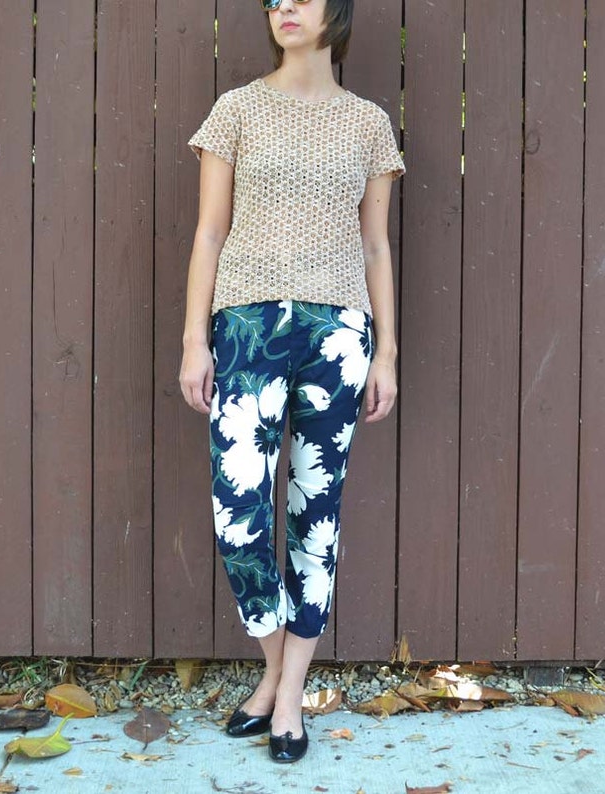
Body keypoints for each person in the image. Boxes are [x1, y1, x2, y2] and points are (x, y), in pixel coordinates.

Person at [179, 0, 404, 764]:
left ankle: (287, 696)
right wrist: (193, 340)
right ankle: (279, 673)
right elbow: (209, 231)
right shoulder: (236, 110)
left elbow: (375, 248)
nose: (284, 8)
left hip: (338, 334)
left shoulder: (370, 123)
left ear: (335, 12)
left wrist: (388, 354)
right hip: (244, 328)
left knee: (316, 513)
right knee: (240, 511)